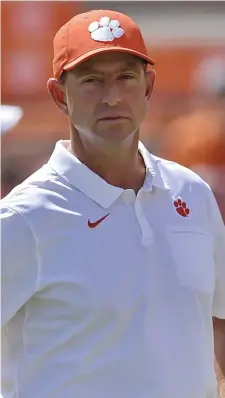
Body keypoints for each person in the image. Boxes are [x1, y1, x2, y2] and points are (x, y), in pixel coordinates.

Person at [1, 9, 225, 398]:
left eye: (126, 77)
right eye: (92, 81)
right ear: (59, 95)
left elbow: (218, 318)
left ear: (149, 86)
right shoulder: (24, 216)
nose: (113, 96)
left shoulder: (191, 192)